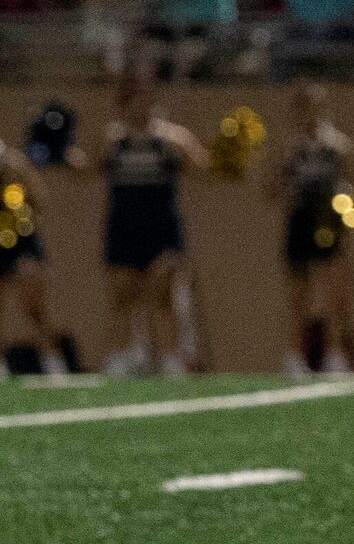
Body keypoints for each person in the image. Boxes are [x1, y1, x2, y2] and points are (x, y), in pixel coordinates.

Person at [94, 77, 208, 377]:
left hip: (161, 229)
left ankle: (170, 359)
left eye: (147, 98)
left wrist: (225, 154)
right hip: (124, 227)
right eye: (135, 99)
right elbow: (89, 168)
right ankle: (122, 357)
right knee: (122, 294)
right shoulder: (113, 140)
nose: (142, 105)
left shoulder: (173, 139)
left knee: (162, 292)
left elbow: (203, 167)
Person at [270, 85, 354, 375]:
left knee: (334, 293)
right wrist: (285, 190)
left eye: (317, 106)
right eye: (305, 107)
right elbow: (270, 189)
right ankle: (298, 357)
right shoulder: (288, 148)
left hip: (329, 223)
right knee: (300, 296)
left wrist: (344, 209)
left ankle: (334, 356)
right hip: (299, 222)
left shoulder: (338, 147)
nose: (311, 113)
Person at [0, 140, 73, 375]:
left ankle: (53, 361)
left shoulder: (12, 160)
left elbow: (38, 198)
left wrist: (16, 179)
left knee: (34, 302)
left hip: (19, 235)